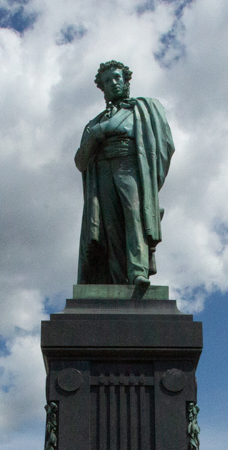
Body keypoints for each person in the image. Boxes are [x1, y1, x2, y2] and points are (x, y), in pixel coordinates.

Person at [75, 59, 174, 289]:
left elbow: (166, 145)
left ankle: (138, 272)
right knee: (110, 227)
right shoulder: (95, 123)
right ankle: (119, 280)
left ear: (127, 81)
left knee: (134, 215)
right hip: (102, 171)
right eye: (107, 81)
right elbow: (80, 161)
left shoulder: (144, 109)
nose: (113, 83)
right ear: (102, 88)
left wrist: (151, 177)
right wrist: (96, 135)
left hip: (130, 165)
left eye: (117, 78)